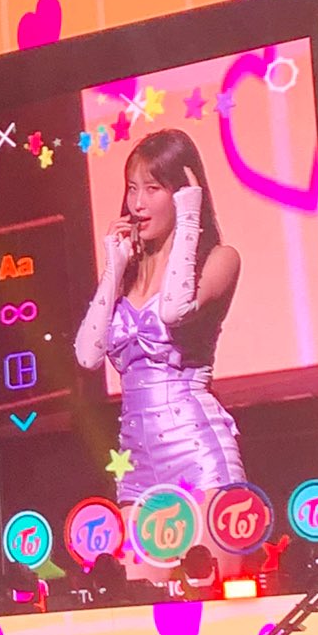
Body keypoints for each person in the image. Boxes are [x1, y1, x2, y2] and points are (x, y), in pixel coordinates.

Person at [74, 128, 243, 513]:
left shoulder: (220, 260)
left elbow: (173, 311)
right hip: (135, 464)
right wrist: (114, 268)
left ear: (182, 192)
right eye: (132, 189)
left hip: (198, 455)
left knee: (207, 556)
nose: (137, 204)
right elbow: (87, 356)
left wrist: (189, 219)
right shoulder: (127, 274)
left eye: (152, 189)